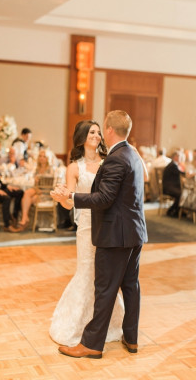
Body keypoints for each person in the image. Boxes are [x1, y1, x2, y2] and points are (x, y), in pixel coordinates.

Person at [51, 110, 148, 359]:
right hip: (134, 232)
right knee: (130, 286)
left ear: (109, 130)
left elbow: (104, 198)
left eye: (102, 128)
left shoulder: (115, 158)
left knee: (105, 288)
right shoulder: (132, 153)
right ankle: (131, 338)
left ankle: (92, 344)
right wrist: (68, 197)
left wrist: (71, 196)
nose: (99, 133)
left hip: (115, 234)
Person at [49, 120, 124, 347]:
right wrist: (62, 198)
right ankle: (78, 325)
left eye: (99, 133)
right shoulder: (74, 168)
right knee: (86, 271)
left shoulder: (107, 162)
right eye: (92, 132)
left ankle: (106, 323)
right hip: (87, 226)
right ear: (82, 138)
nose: (97, 136)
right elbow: (70, 203)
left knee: (104, 274)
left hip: (108, 225)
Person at [13, 148, 54, 231]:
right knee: (27, 193)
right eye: (40, 156)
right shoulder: (37, 169)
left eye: (44, 156)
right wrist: (36, 185)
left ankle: (24, 219)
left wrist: (40, 187)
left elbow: (51, 185)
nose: (42, 158)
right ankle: (25, 218)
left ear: (47, 158)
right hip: (38, 190)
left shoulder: (50, 169)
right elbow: (36, 184)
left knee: (28, 198)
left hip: (46, 193)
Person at [162, 150, 184, 217]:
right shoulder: (172, 165)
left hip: (171, 187)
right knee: (181, 195)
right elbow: (181, 173)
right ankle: (172, 211)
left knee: (183, 193)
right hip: (168, 188)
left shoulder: (173, 164)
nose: (181, 158)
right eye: (179, 156)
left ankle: (179, 211)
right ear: (175, 157)